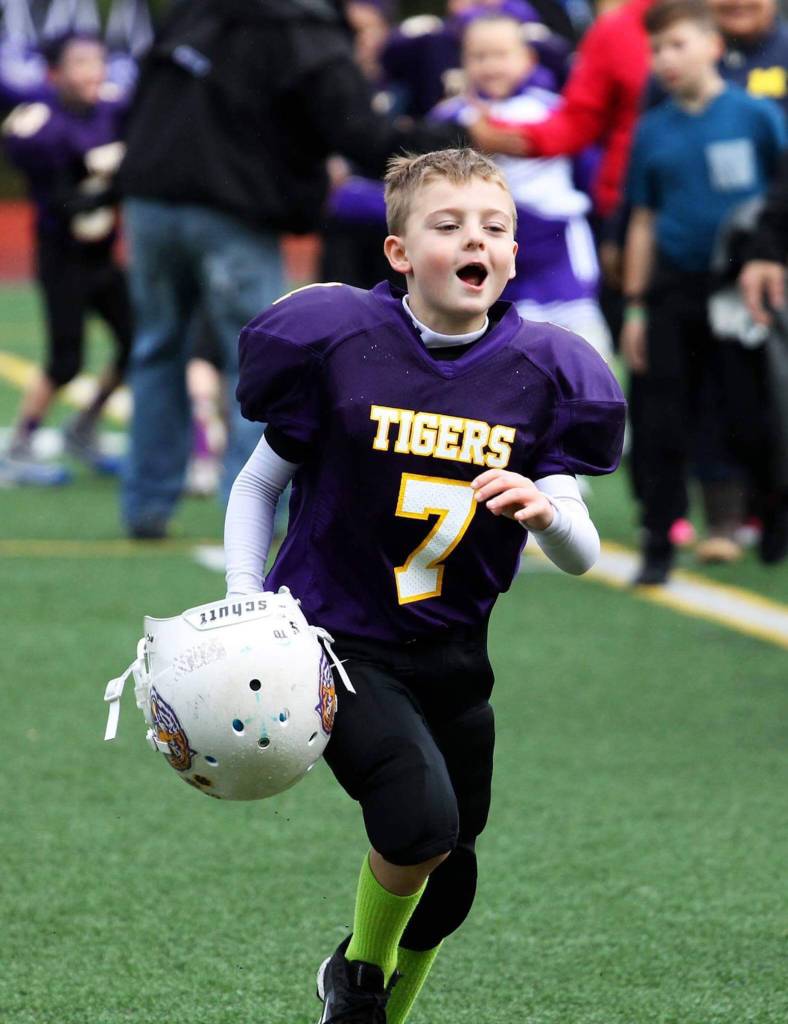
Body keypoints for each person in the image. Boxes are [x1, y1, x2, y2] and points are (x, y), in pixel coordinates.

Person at [224, 148, 626, 1024]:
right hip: (333, 641)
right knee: (416, 824)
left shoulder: (546, 371)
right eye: (448, 226)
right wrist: (247, 599)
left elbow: (586, 552)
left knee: (449, 886)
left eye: (495, 228)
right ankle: (358, 975)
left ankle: (368, 1004)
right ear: (400, 252)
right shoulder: (338, 340)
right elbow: (259, 485)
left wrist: (547, 516)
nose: (475, 240)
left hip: (454, 652)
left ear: (515, 254)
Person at [117, 0, 486, 541]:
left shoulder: (196, 12)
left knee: (156, 349)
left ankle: (146, 507)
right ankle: (248, 519)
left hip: (148, 199)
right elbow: (359, 131)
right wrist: (459, 140)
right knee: (259, 361)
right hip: (232, 208)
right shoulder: (304, 27)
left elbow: (137, 97)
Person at [619, 0, 785, 584]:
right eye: (656, 49)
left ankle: (770, 513)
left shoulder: (756, 115)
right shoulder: (653, 127)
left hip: (742, 287)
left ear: (713, 46)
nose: (664, 59)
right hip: (672, 290)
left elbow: (778, 200)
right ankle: (658, 541)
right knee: (662, 418)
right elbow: (643, 217)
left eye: (677, 45)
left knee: (749, 412)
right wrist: (635, 307)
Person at [431, 11, 612, 357]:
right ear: (463, 62)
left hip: (558, 250)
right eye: (479, 56)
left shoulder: (555, 111)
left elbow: (590, 171)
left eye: (501, 55)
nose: (490, 65)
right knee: (501, 349)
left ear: (528, 58)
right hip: (483, 250)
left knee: (583, 348)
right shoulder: (449, 118)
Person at [0, 31, 131, 485]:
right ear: (55, 73)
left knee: (137, 341)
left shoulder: (115, 110)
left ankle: (83, 426)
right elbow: (61, 199)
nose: (92, 71)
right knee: (65, 360)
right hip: (62, 255)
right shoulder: (44, 123)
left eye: (97, 60)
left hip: (102, 254)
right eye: (79, 62)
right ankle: (17, 446)